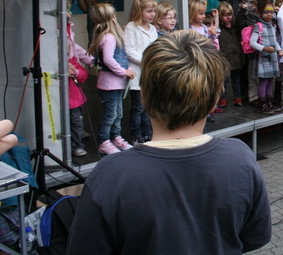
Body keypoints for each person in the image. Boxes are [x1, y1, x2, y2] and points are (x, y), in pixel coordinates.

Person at [68, 30, 272, 254]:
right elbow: (255, 236)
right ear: (216, 98)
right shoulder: (241, 158)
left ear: (143, 95)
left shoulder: (110, 175)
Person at [87, 3, 136, 155]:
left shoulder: (109, 36)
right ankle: (104, 141)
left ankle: (116, 137)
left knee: (117, 113)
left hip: (115, 85)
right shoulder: (109, 37)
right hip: (110, 84)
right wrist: (123, 71)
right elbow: (108, 59)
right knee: (110, 114)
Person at [124, 0, 158, 145]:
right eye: (149, 11)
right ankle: (136, 134)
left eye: (154, 11)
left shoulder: (152, 28)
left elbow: (156, 47)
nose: (152, 15)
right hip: (138, 73)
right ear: (139, 11)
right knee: (138, 106)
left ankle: (148, 131)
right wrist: (146, 61)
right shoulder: (131, 27)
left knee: (148, 106)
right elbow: (129, 50)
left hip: (150, 73)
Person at [250, 0, 283, 114]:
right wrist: (264, 48)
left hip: (272, 57)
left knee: (270, 80)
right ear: (259, 13)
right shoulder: (258, 26)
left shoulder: (273, 25)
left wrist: (279, 49)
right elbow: (252, 42)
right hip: (263, 58)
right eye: (266, 12)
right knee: (264, 81)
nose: (269, 14)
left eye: (271, 12)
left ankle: (269, 102)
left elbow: (275, 41)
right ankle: (261, 104)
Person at [218, 1, 245, 108]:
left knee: (236, 80)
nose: (228, 17)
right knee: (224, 81)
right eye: (225, 15)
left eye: (230, 14)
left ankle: (237, 97)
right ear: (220, 16)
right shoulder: (219, 28)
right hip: (224, 57)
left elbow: (240, 20)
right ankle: (223, 98)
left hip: (236, 57)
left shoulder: (236, 26)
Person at [68, 48, 89, 157]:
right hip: (60, 102)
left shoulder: (73, 62)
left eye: (67, 53)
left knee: (77, 124)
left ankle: (77, 146)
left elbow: (84, 75)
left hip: (75, 100)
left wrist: (75, 71)